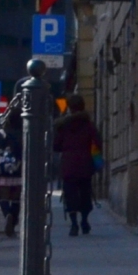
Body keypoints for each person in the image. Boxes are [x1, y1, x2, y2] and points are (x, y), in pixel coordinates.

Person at [54, 93, 103, 237]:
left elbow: (56, 146)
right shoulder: (89, 125)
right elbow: (97, 145)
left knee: (70, 194)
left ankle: (74, 223)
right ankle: (85, 220)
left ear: (69, 108)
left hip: (69, 165)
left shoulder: (63, 126)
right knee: (85, 192)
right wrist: (98, 163)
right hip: (85, 164)